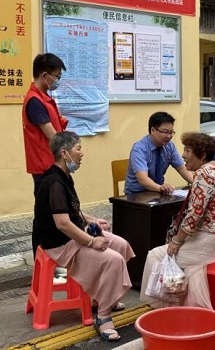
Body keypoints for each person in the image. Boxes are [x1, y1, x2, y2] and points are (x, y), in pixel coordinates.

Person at [32, 131, 135, 342]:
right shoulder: (54, 182)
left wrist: (92, 220)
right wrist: (91, 241)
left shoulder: (64, 177)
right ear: (64, 153)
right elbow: (62, 224)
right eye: (78, 149)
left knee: (121, 245)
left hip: (74, 234)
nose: (82, 154)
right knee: (113, 260)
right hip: (60, 243)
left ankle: (101, 298)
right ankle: (103, 316)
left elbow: (71, 212)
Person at [140, 132, 215, 308]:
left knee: (155, 255)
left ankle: (160, 306)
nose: (183, 155)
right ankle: (191, 310)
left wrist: (176, 241)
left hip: (212, 240)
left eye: (188, 151)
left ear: (202, 155)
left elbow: (194, 216)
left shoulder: (203, 174)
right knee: (193, 267)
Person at [22, 53, 68, 196]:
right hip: (45, 166)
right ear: (44, 75)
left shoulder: (44, 97)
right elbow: (52, 136)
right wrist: (70, 153)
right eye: (57, 77)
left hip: (52, 163)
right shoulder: (35, 101)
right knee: (49, 205)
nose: (57, 81)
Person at [124, 112, 193, 194]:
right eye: (165, 132)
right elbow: (143, 179)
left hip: (158, 192)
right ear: (153, 130)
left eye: (171, 132)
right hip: (136, 194)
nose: (169, 136)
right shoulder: (139, 149)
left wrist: (197, 183)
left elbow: (181, 168)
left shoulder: (169, 146)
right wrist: (160, 188)